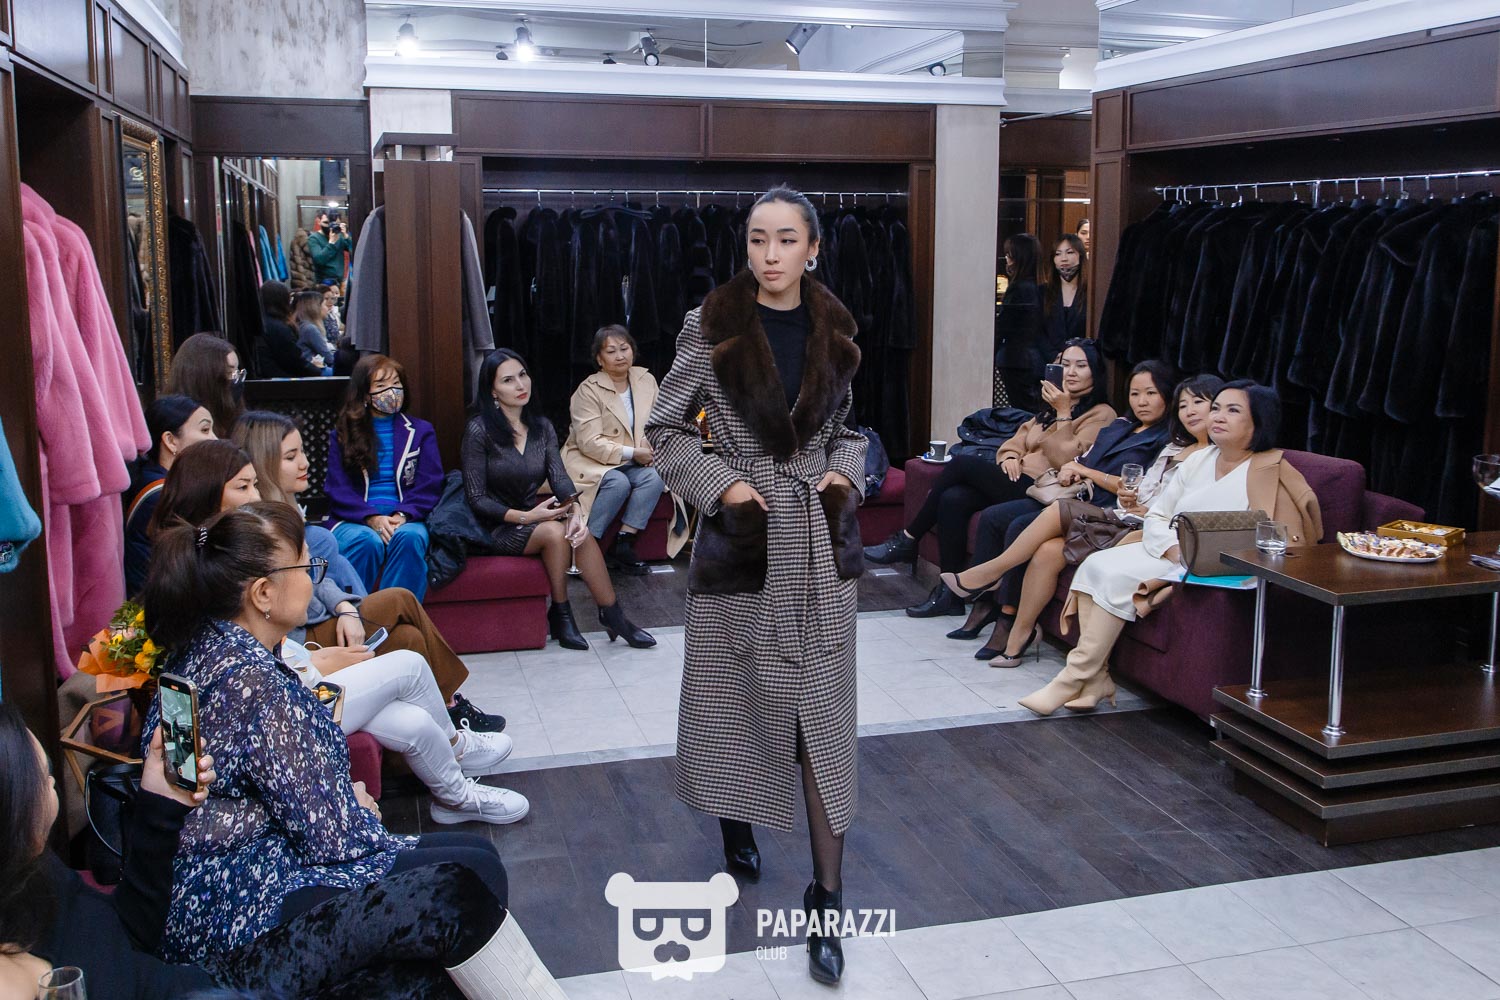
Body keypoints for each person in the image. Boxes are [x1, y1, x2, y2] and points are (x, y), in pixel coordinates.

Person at [138, 503, 564, 996]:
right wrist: (358, 806)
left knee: (474, 855)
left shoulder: (207, 645)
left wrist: (342, 803)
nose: (314, 578)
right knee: (476, 868)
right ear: (263, 594)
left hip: (206, 891)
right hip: (248, 905)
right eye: (306, 567)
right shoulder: (256, 685)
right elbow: (334, 842)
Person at [645, 186, 868, 985]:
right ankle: (735, 818)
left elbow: (850, 431)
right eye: (757, 239)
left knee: (820, 726)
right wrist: (725, 487)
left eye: (786, 240)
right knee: (737, 701)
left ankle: (826, 899)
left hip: (817, 550)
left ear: (814, 248)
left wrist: (844, 474)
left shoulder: (837, 329)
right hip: (744, 542)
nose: (770, 255)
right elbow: (665, 429)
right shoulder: (711, 325)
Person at [1016, 380, 1323, 715]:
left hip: (1217, 562)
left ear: (1259, 422)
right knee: (1095, 565)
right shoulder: (1199, 459)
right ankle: (1095, 679)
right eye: (1216, 408)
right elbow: (1158, 515)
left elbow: (1284, 534)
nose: (1218, 416)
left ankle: (1072, 678)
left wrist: (1193, 555)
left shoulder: (1269, 468)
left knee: (1114, 574)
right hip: (1171, 549)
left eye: (1232, 410)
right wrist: (1171, 549)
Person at [233, 409, 503, 732]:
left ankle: (444, 728)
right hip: (298, 638)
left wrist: (344, 606)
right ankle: (452, 707)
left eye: (302, 452)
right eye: (291, 457)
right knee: (401, 599)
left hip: (321, 619)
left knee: (408, 637)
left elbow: (316, 579)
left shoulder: (286, 510)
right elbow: (303, 592)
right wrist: (342, 607)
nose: (305, 463)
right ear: (264, 461)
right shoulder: (258, 525)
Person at [950, 371, 1221, 663]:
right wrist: (1116, 490)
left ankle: (992, 572)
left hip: (1139, 526)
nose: (1189, 411)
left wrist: (1111, 486)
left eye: (1198, 402)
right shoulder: (1166, 445)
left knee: (1050, 511)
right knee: (1046, 550)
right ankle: (1019, 635)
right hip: (1120, 512)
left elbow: (1171, 507)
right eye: (1184, 405)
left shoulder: (1195, 450)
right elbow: (1140, 490)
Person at [865, 337, 1116, 616]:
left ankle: (908, 538)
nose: (1071, 372)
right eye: (1065, 365)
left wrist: (1064, 412)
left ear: (1095, 372)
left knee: (961, 464)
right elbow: (1015, 441)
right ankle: (949, 596)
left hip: (1044, 489)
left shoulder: (1100, 414)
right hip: (1017, 478)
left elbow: (1067, 459)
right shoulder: (1050, 408)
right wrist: (1009, 458)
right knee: (953, 498)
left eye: (1081, 366)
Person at [462, 349, 655, 651]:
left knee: (579, 532)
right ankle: (562, 612)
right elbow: (476, 499)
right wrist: (527, 517)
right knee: (555, 532)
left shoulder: (541, 427)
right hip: (493, 527)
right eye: (508, 380)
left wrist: (576, 510)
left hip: (534, 519)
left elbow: (560, 477)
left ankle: (612, 614)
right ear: (492, 391)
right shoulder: (479, 430)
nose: (520, 385)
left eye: (523, 375)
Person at [325, 355, 442, 601]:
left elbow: (429, 484)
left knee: (409, 537)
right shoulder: (343, 434)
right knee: (367, 541)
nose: (392, 391)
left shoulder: (421, 431)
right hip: (355, 519)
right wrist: (371, 518)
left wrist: (403, 515)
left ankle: (392, 616)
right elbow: (338, 489)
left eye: (396, 383)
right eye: (381, 385)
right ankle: (352, 611)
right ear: (365, 395)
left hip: (406, 516)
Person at [561, 324, 668, 575]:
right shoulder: (588, 389)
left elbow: (660, 421)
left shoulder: (646, 380)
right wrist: (634, 453)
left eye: (624, 348)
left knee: (656, 476)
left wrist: (649, 443)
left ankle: (623, 543)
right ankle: (589, 546)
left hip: (634, 460)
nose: (620, 356)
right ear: (599, 359)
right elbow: (589, 442)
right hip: (591, 460)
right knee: (618, 483)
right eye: (611, 351)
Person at [125, 396, 216, 595]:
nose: (215, 439)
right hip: (146, 608)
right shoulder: (162, 495)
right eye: (205, 430)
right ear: (170, 440)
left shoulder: (161, 483)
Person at [993, 233, 1046, 412]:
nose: (1007, 260)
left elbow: (1004, 326)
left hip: (1015, 359)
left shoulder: (1018, 288)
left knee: (1023, 411)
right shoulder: (1041, 287)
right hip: (1034, 358)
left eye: (1009, 255)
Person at [167, 333, 244, 438]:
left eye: (238, 372)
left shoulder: (238, 422)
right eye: (228, 372)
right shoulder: (177, 424)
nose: (236, 379)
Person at [257, 281, 324, 378]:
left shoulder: (261, 322)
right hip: (280, 379)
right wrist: (316, 371)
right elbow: (293, 360)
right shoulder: (279, 328)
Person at [1043, 234, 1088, 348]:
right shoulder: (1043, 292)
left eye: (1070, 252)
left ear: (1080, 255)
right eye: (1058, 254)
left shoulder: (1090, 293)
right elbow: (1038, 334)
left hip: (1081, 355)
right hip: (1050, 356)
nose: (1064, 258)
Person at [291, 290, 335, 371]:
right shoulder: (310, 329)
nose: (327, 308)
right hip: (314, 370)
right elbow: (328, 357)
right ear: (315, 308)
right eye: (324, 305)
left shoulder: (302, 325)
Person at [309, 212, 353, 286]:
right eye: (326, 222)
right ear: (319, 222)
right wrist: (331, 243)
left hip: (340, 281)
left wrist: (346, 236)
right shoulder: (314, 238)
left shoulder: (339, 236)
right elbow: (319, 260)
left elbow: (354, 252)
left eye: (334, 223)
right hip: (323, 282)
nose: (330, 226)